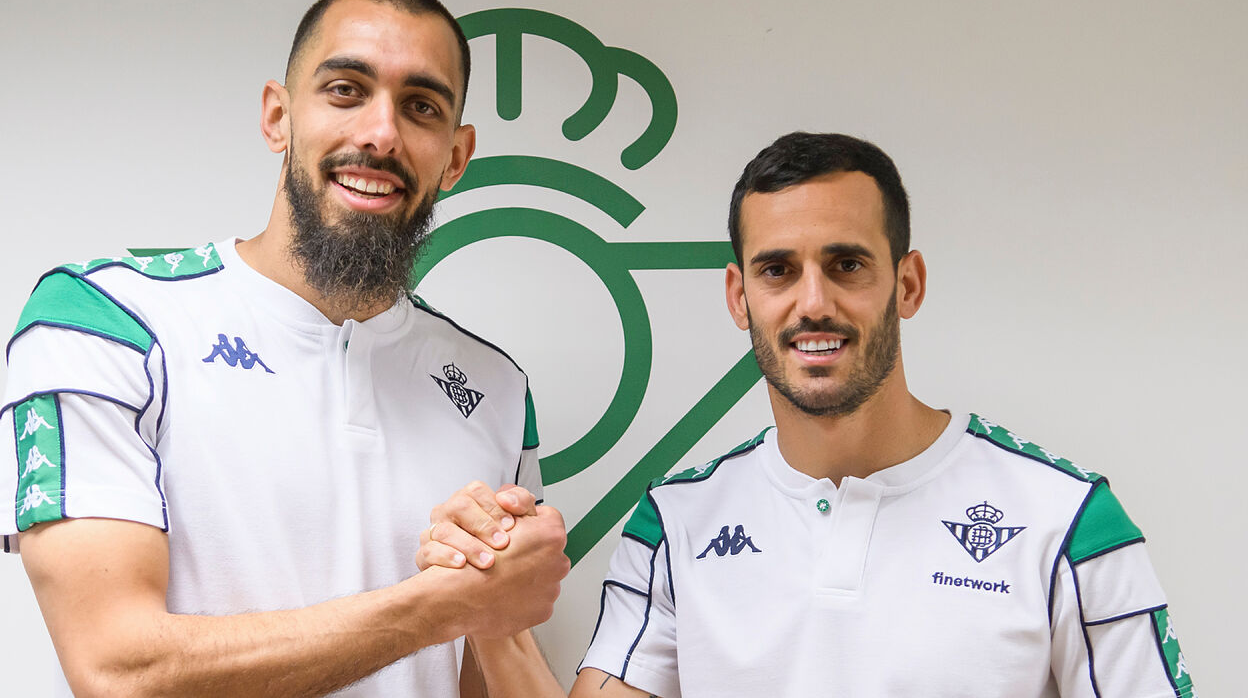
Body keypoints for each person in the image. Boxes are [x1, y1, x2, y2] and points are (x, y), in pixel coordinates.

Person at [428, 132, 1197, 696]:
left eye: (847, 264)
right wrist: (489, 615)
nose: (813, 303)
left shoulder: (1069, 520)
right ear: (740, 297)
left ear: (908, 283)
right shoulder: (673, 524)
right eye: (778, 270)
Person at [0, 0, 568, 698]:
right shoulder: (105, 315)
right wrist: (438, 605)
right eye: (346, 90)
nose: (381, 134)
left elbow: (485, 675)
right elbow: (117, 668)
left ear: (455, 155)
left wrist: (491, 603)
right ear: (278, 117)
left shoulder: (497, 387)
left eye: (421, 107)